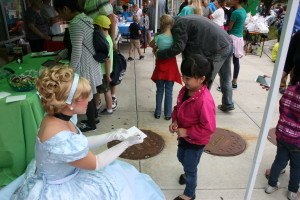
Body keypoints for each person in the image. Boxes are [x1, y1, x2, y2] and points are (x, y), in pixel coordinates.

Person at [0, 65, 166, 200]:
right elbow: (96, 163)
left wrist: (113, 135)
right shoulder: (58, 137)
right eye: (84, 97)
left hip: (61, 173)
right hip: (59, 190)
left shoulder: (56, 117)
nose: (90, 100)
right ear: (69, 103)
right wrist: (127, 142)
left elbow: (78, 143)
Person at [156, 15, 234, 112]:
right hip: (227, 42)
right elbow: (189, 46)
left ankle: (199, 107)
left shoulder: (178, 25)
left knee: (205, 79)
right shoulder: (183, 19)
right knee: (226, 77)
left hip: (218, 47)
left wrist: (160, 54)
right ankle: (228, 104)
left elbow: (179, 47)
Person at [169, 55, 216, 200]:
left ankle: (190, 193)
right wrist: (175, 120)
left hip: (196, 141)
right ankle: (188, 171)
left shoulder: (204, 101)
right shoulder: (185, 91)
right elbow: (178, 107)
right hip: (183, 137)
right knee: (181, 156)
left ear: (201, 79)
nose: (184, 80)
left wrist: (187, 131)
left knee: (190, 165)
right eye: (183, 76)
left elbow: (209, 128)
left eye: (188, 78)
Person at [54, 0, 102, 133]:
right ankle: (94, 119)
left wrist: (71, 71)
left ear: (65, 8)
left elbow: (76, 50)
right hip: (92, 62)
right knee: (91, 92)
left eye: (59, 12)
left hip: (85, 65)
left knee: (87, 95)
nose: (60, 16)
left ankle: (91, 124)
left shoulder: (75, 23)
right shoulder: (86, 19)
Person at [150, 14, 182, 120]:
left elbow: (151, 44)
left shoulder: (158, 37)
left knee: (159, 91)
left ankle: (158, 112)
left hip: (160, 66)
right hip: (171, 67)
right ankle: (168, 114)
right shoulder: (175, 38)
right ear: (172, 24)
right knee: (169, 91)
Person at [94, 15, 114, 116]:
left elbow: (108, 60)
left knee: (106, 90)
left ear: (100, 28)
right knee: (98, 89)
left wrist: (107, 75)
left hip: (104, 71)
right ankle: (97, 105)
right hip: (103, 70)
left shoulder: (105, 41)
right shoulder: (107, 37)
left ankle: (109, 109)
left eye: (96, 28)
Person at [228, 0, 247, 89]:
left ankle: (226, 83)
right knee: (236, 61)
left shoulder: (235, 12)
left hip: (232, 38)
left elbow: (230, 27)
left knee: (227, 61)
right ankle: (234, 81)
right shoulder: (243, 11)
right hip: (239, 38)